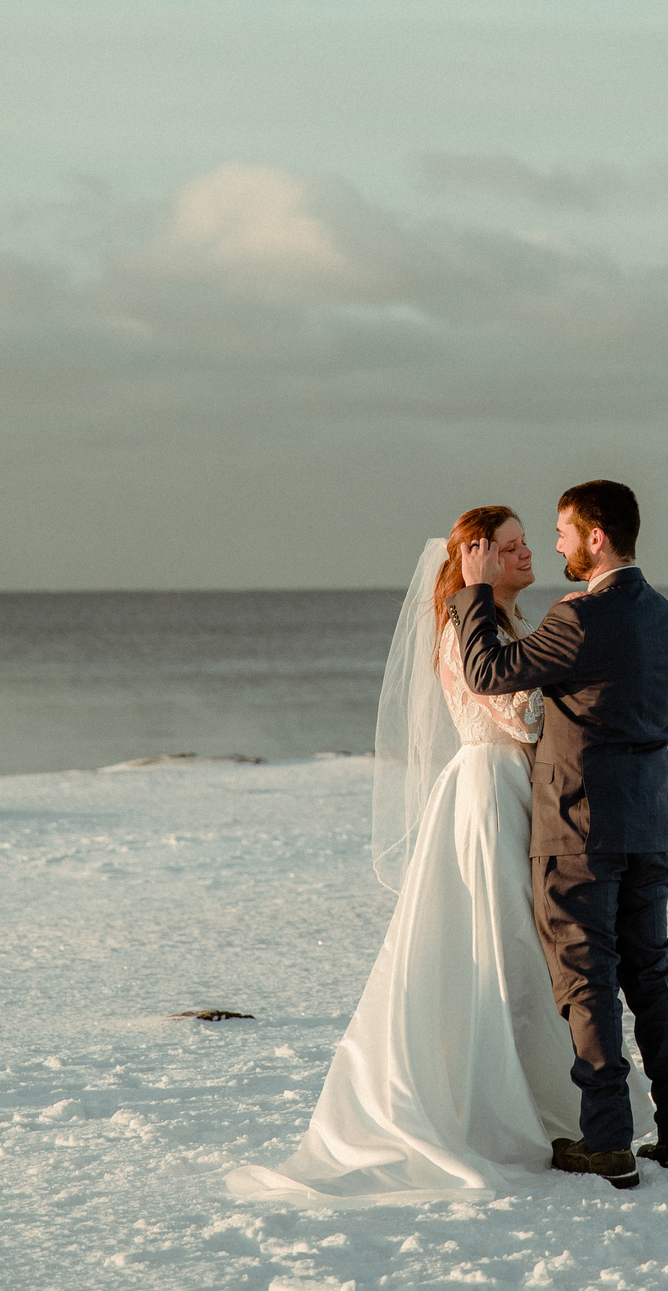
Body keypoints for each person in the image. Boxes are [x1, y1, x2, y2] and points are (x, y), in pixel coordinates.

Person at [223, 507, 578, 1198]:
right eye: (510, 546)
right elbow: (522, 715)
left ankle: (542, 1096)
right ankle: (500, 1105)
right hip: (488, 788)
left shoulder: (504, 623)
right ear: (477, 557)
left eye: (526, 542)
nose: (528, 553)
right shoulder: (463, 627)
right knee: (501, 937)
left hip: (510, 784)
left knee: (522, 940)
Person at [450, 479, 668, 1190]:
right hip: (650, 822)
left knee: (586, 979)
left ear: (596, 537)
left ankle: (609, 1142)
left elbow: (489, 671)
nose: (555, 543)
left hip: (579, 824)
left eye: (563, 531)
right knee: (652, 974)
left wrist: (474, 591)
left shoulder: (579, 617)